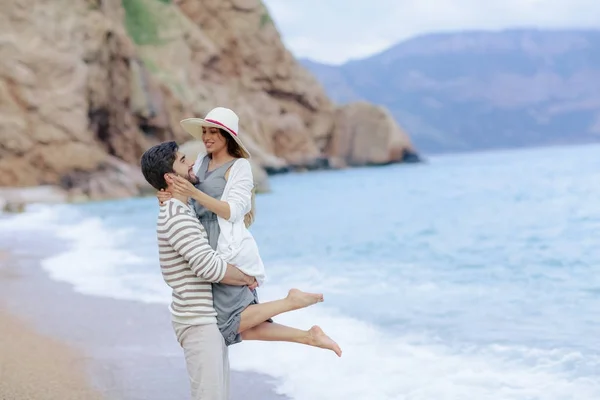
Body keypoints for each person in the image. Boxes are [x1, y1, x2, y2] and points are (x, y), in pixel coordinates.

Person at [141, 141, 340, 399]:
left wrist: (169, 195)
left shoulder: (181, 209)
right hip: (197, 322)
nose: (190, 162)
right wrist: (246, 277)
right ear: (170, 177)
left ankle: (299, 322)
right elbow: (209, 267)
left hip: (203, 318)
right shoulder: (177, 216)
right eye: (182, 160)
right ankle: (290, 305)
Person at [158, 107, 342, 356]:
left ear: (228, 136)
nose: (207, 137)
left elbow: (233, 211)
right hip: (202, 242)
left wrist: (193, 193)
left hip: (225, 246)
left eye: (214, 132)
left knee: (227, 323)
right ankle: (308, 336)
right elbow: (186, 195)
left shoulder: (240, 167)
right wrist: (169, 196)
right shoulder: (202, 160)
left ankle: (291, 303)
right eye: (204, 131)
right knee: (237, 325)